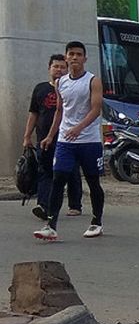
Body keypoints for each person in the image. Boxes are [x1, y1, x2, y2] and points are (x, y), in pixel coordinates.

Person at [34, 41, 106, 241]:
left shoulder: (93, 81)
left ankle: (96, 221)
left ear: (85, 58)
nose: (75, 57)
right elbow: (59, 110)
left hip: (88, 140)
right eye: (71, 54)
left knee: (92, 181)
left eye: (79, 54)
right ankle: (50, 225)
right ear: (66, 57)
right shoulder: (61, 82)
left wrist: (79, 128)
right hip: (66, 141)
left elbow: (96, 109)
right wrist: (50, 135)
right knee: (58, 179)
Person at [24, 54, 83, 220]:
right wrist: (27, 136)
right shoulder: (40, 89)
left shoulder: (71, 88)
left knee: (70, 171)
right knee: (45, 171)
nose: (59, 70)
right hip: (43, 139)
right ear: (49, 68)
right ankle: (44, 205)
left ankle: (75, 205)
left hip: (67, 138)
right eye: (55, 66)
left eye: (62, 67)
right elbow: (33, 113)